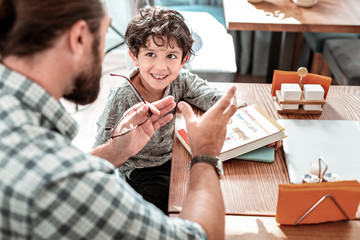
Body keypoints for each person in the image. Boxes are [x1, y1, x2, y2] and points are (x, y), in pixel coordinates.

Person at [0, 0, 237, 239]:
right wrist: (205, 154)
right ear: (80, 38)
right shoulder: (67, 180)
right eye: (104, 34)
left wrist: (114, 150)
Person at [93, 6, 281, 214]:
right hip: (140, 172)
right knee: (175, 204)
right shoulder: (121, 96)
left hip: (176, 158)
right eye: (150, 54)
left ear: (184, 59)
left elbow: (210, 96)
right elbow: (101, 149)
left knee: (218, 185)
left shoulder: (181, 80)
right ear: (134, 56)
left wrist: (256, 122)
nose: (161, 67)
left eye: (171, 56)